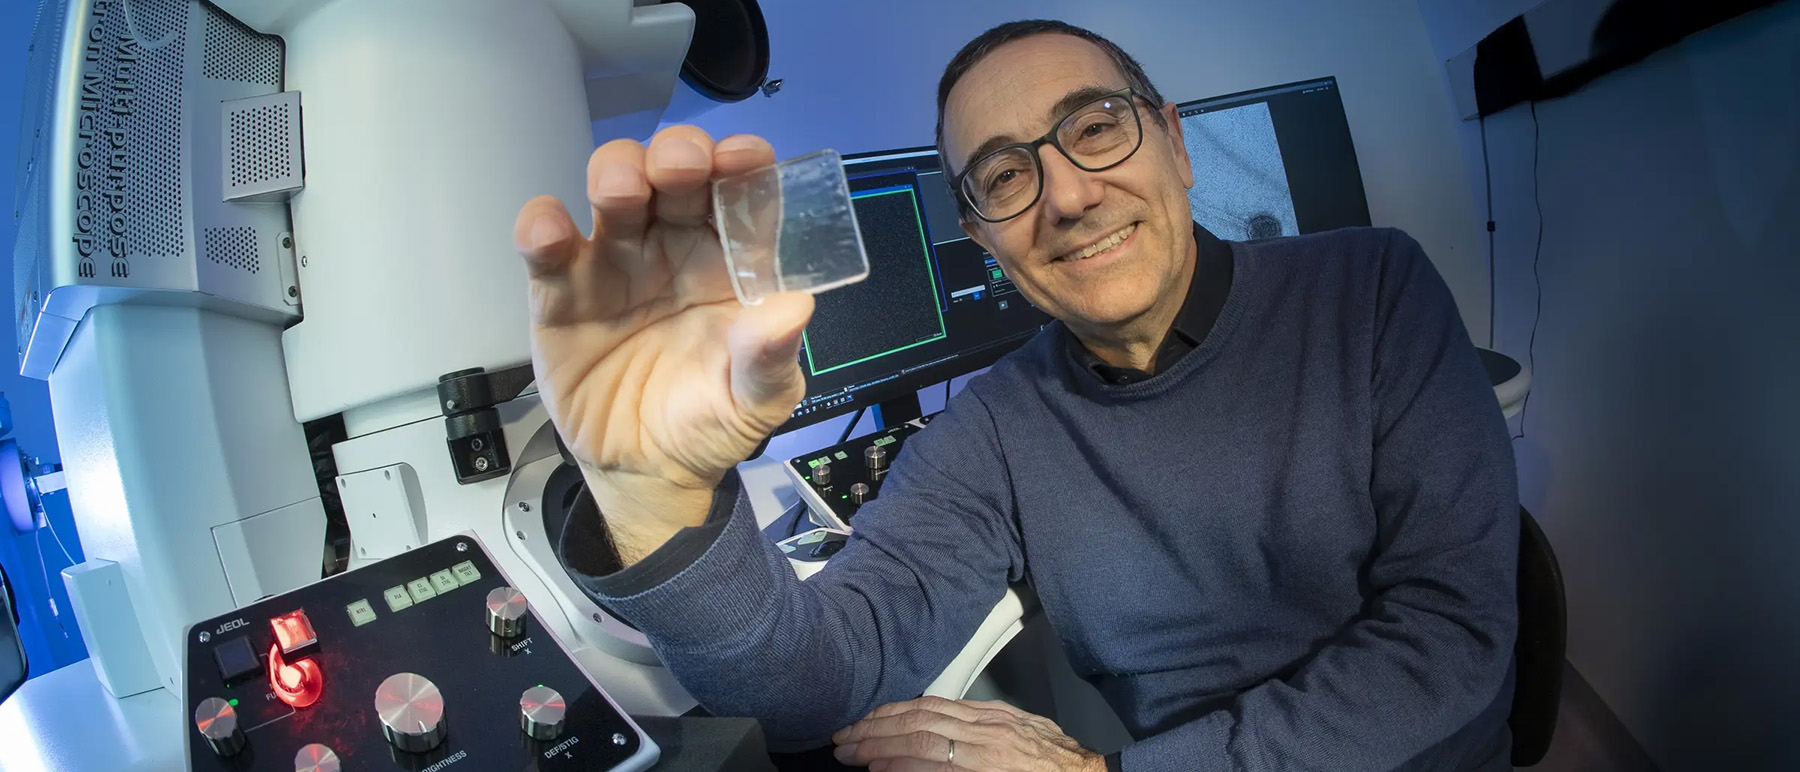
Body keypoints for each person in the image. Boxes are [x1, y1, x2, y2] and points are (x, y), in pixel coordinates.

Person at [512, 19, 1519, 772]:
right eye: (1002, 177)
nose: (1068, 196)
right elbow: (817, 682)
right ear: (981, 236)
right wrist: (657, 500)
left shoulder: (1373, 284)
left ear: (1174, 143)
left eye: (1094, 127)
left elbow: (1449, 643)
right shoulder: (994, 428)